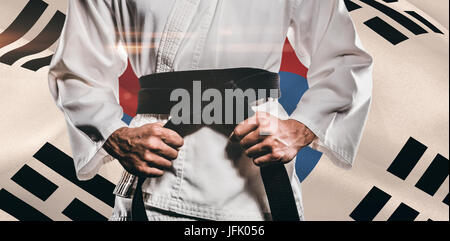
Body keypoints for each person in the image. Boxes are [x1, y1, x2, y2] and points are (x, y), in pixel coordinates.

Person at [48, 0, 373, 221]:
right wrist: (113, 135)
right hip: (158, 178)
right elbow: (76, 70)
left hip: (255, 182)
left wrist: (302, 127)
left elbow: (344, 59)